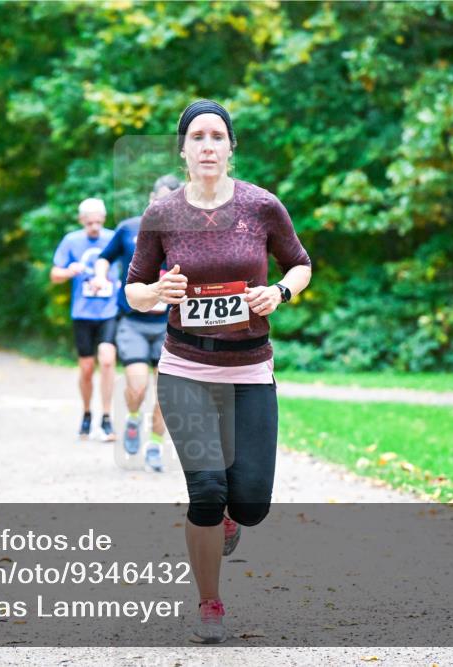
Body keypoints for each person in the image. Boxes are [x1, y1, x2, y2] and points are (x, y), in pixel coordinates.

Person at [125, 99, 312, 643]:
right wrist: (158, 292)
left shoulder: (262, 207)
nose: (208, 145)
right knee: (206, 489)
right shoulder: (161, 213)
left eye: (217, 136)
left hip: (250, 368)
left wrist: (278, 292)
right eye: (198, 137)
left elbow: (300, 264)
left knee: (249, 503)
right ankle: (210, 601)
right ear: (183, 150)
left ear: (231, 147)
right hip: (185, 366)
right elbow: (133, 289)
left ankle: (234, 519)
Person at [91, 175, 181, 472]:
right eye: (162, 200)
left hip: (170, 324)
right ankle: (132, 418)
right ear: (152, 199)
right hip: (133, 322)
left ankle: (155, 444)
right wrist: (101, 275)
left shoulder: (184, 234)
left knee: (166, 394)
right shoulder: (130, 228)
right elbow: (105, 258)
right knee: (139, 386)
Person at [50, 198, 119, 442]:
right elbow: (54, 274)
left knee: (108, 361)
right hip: (82, 313)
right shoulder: (71, 240)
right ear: (81, 220)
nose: (94, 227)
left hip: (109, 311)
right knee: (87, 369)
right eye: (89, 222)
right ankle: (88, 413)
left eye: (99, 222)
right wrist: (70, 270)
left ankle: (108, 418)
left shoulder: (113, 237)